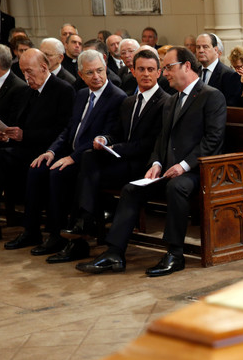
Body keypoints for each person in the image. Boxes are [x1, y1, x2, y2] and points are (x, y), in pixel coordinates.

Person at [76, 47, 226, 276]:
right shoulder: (173, 100)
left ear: (186, 66)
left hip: (200, 170)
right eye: (164, 68)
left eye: (168, 67)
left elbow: (213, 140)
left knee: (177, 187)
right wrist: (156, 163)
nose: (164, 73)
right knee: (131, 189)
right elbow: (161, 140)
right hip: (169, 169)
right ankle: (115, 253)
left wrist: (184, 165)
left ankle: (175, 254)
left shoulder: (211, 95)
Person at [17, 49, 126, 262]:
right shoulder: (82, 94)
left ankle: (64, 236)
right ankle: (36, 231)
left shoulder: (117, 97)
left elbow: (106, 136)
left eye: (100, 71)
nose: (96, 76)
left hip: (94, 158)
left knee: (58, 173)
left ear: (106, 68)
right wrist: (51, 151)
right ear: (80, 75)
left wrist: (73, 157)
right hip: (73, 152)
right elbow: (68, 129)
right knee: (38, 167)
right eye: (90, 73)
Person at [61, 49, 170, 248]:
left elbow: (150, 144)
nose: (146, 74)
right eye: (141, 69)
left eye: (151, 69)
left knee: (86, 172)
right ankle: (84, 220)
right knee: (88, 157)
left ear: (159, 73)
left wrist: (116, 147)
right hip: (122, 159)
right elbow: (117, 132)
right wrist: (104, 139)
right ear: (133, 72)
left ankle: (84, 222)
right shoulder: (129, 101)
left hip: (143, 165)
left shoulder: (165, 102)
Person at [0, 49, 74, 248]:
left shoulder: (63, 90)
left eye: (29, 72)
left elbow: (62, 131)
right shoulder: (28, 90)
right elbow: (19, 125)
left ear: (44, 68)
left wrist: (23, 135)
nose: (26, 77)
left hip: (47, 150)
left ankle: (3, 227)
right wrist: (6, 134)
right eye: (23, 72)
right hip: (24, 148)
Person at [196, 33, 242, 106]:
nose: (201, 50)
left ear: (216, 50)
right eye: (198, 47)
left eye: (205, 47)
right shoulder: (194, 72)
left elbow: (230, 106)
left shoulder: (229, 75)